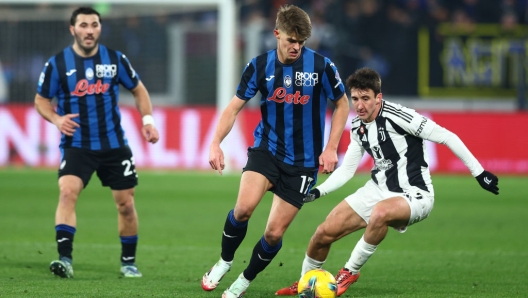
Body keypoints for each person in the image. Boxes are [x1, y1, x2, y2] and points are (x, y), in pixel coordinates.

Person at [275, 67, 499, 296]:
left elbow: (447, 137)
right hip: (377, 189)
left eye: (365, 99)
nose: (359, 105)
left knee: (380, 213)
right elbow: (347, 170)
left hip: (415, 195)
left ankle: (349, 271)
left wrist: (479, 173)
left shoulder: (401, 117)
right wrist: (317, 192)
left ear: (378, 98)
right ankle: (306, 282)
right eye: (355, 99)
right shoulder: (357, 126)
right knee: (323, 233)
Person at [201, 4, 350, 298]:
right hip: (266, 151)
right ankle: (224, 261)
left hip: (303, 165)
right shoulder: (259, 66)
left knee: (273, 233)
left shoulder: (321, 66)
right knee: (243, 210)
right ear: (277, 34)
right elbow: (233, 108)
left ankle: (243, 280)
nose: (296, 47)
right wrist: (215, 142)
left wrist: (332, 148)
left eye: (301, 42)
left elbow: (342, 104)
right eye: (291, 40)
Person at [34, 7, 159, 279]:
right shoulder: (57, 64)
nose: (89, 30)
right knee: (67, 192)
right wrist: (56, 119)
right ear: (73, 29)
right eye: (83, 25)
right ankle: (64, 259)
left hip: (113, 144)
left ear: (99, 28)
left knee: (125, 204)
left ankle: (128, 262)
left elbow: (138, 89)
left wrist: (148, 119)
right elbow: (41, 100)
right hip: (77, 143)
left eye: (94, 25)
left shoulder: (115, 60)